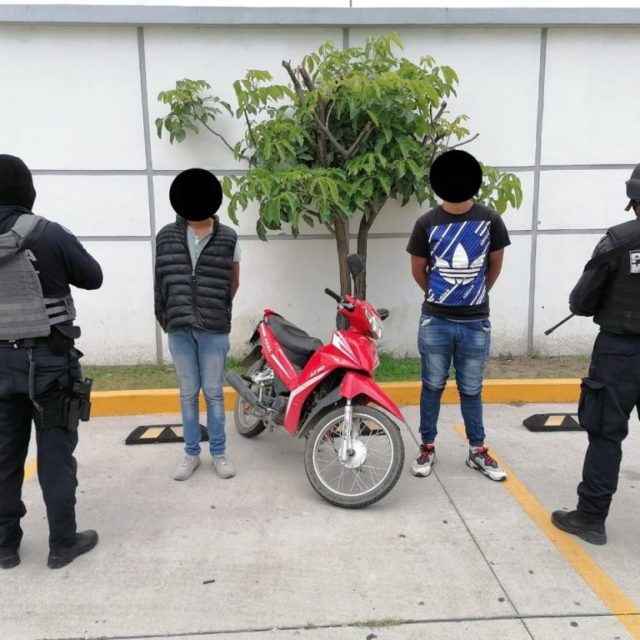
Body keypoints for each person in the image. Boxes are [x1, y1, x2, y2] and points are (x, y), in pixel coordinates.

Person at [0, 154, 103, 570]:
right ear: (28, 191)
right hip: (49, 363)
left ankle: (5, 546)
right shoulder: (48, 233)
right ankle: (62, 543)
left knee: (4, 458)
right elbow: (93, 277)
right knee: (55, 455)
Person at [406, 150, 510, 481]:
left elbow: (494, 266)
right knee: (432, 386)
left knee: (471, 388)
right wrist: (440, 297)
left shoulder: (490, 220)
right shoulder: (426, 223)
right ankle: (427, 447)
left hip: (475, 321)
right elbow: (418, 270)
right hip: (435, 320)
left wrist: (475, 295)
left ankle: (477, 450)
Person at [551, 163, 640, 546]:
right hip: (619, 352)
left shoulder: (618, 241)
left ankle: (590, 518)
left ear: (633, 198)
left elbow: (581, 302)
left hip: (619, 353)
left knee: (606, 435)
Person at [155, 168, 240, 481]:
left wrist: (217, 309)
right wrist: (166, 318)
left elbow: (233, 282)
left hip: (213, 327)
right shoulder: (166, 236)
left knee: (214, 393)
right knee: (188, 393)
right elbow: (160, 281)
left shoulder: (228, 237)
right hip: (178, 327)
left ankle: (218, 453)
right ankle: (191, 453)